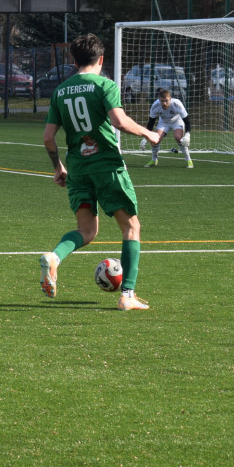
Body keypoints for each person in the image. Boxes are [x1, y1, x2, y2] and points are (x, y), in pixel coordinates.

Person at [40, 33, 161, 311]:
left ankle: (55, 257)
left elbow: (48, 138)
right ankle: (127, 295)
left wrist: (59, 167)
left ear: (74, 60)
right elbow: (119, 121)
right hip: (107, 167)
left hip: (78, 169)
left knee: (86, 230)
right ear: (101, 59)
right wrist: (149, 134)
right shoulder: (105, 85)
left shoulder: (60, 90)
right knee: (131, 227)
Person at [143, 89, 193, 168]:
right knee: (154, 139)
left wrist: (187, 134)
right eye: (162, 101)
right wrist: (146, 137)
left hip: (177, 121)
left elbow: (187, 121)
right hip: (163, 122)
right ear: (159, 100)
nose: (164, 103)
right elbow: (151, 122)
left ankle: (188, 160)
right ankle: (154, 160)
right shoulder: (155, 106)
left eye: (166, 101)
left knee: (178, 137)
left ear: (170, 99)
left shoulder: (177, 104)